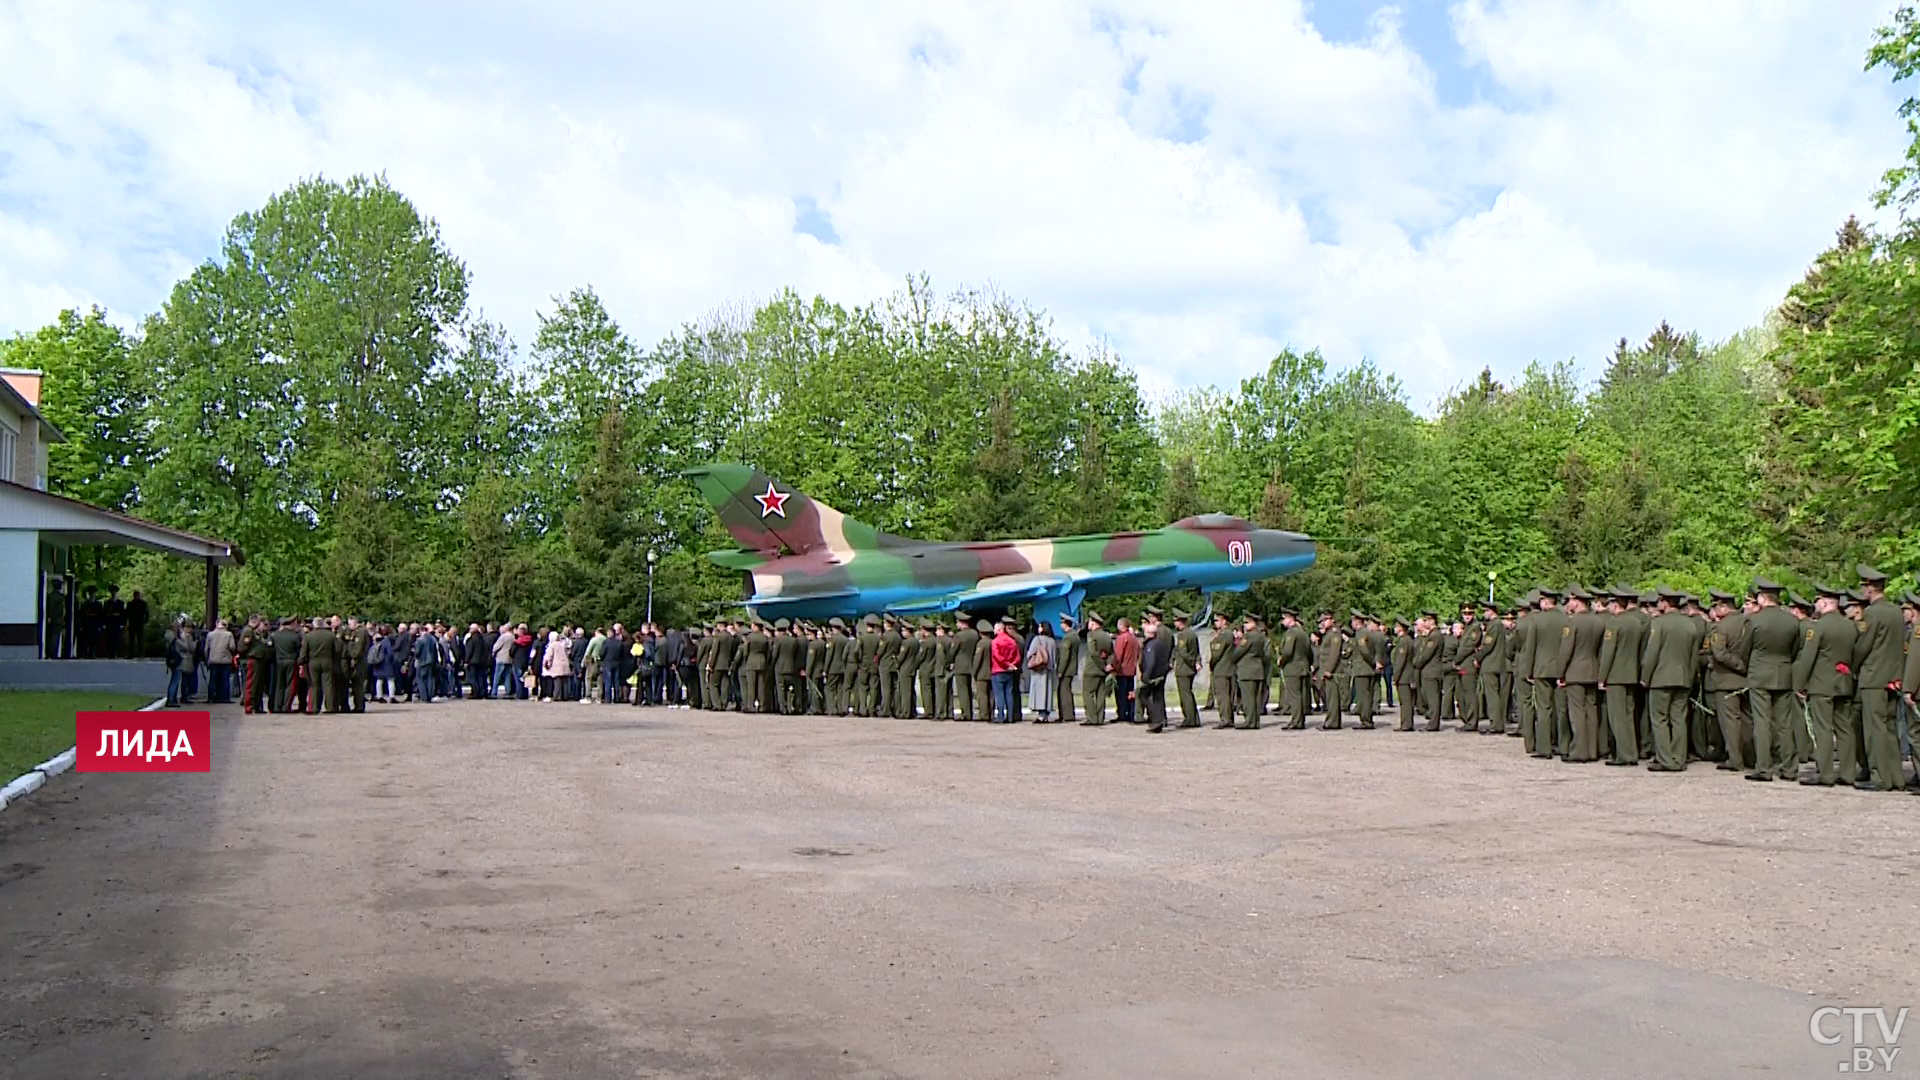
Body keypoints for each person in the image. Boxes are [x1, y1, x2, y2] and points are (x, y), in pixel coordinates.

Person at [1140, 614, 1172, 733]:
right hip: (1161, 675)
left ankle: (1156, 721)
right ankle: (1160, 720)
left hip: (1153, 676)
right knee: (1158, 698)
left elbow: (1151, 661)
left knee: (1145, 696)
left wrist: (1146, 676)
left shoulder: (1151, 645)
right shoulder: (1161, 644)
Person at [1171, 610, 1201, 728]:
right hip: (1189, 669)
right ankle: (1194, 718)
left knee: (1185, 695)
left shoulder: (1183, 635)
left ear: (1180, 621)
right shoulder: (1192, 634)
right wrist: (1197, 662)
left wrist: (1192, 663)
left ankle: (1189, 719)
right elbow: (1197, 652)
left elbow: (1183, 652)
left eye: (1176, 621)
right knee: (1189, 693)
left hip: (1184, 668)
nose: (1175, 624)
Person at [989, 617, 1020, 723]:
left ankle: (1001, 716)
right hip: (1009, 671)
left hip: (998, 670)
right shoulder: (1012, 641)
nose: (993, 631)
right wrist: (1012, 665)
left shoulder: (995, 642)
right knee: (1009, 694)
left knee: (999, 695)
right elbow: (1017, 656)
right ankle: (1010, 717)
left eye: (995, 629)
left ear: (999, 630)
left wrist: (1006, 664)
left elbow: (997, 656)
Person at [1111, 617, 1141, 724]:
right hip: (1131, 669)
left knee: (1121, 694)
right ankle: (1131, 713)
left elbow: (1118, 655)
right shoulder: (1134, 638)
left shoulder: (1121, 638)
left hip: (1122, 670)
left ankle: (1123, 714)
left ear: (1121, 626)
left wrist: (1113, 667)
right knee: (1130, 693)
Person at [1024, 620, 1055, 722]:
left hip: (1039, 669)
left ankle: (1041, 715)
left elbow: (1030, 653)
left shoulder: (1037, 639)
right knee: (1048, 691)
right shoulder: (1052, 641)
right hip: (1049, 669)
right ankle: (1046, 714)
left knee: (1039, 691)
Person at [204, 618, 236, 704]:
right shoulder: (229, 634)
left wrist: (207, 659)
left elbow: (206, 649)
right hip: (225, 660)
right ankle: (224, 698)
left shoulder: (210, 635)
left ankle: (210, 697)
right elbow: (232, 647)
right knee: (225, 680)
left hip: (213, 660)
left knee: (213, 679)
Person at [43, 577, 69, 659]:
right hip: (57, 620)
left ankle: (48, 653)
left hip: (49, 619)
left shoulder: (49, 596)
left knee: (50, 636)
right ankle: (54, 653)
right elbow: (61, 610)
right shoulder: (61, 597)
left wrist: (49, 617)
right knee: (55, 637)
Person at [126, 590, 150, 658]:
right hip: (132, 623)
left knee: (141, 640)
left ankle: (141, 654)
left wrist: (145, 622)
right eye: (136, 595)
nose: (137, 597)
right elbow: (127, 613)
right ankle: (131, 654)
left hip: (140, 623)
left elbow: (147, 613)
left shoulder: (143, 604)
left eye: (138, 595)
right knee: (131, 640)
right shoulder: (130, 604)